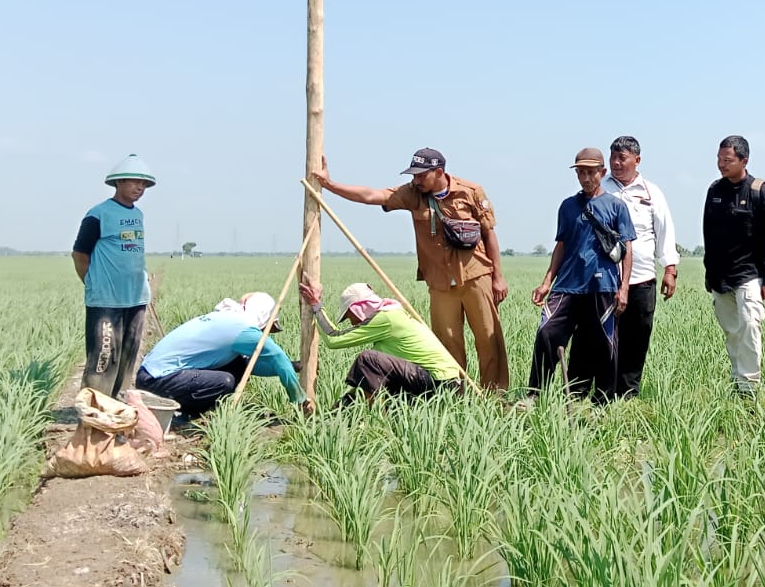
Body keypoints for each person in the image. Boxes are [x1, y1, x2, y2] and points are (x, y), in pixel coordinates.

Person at [312, 148, 511, 390]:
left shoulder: (470, 192)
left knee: (488, 339)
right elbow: (374, 195)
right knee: (447, 343)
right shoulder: (412, 194)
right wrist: (330, 185)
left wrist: (498, 277)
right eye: (414, 175)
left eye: (421, 175)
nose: (416, 180)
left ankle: (495, 395)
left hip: (476, 275)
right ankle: (456, 395)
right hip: (439, 283)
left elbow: (489, 234)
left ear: (439, 172)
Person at [528, 148, 634, 403]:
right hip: (567, 285)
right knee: (546, 333)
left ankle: (603, 401)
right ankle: (535, 395)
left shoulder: (616, 206)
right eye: (581, 172)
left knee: (605, 343)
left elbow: (627, 249)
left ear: (602, 172)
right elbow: (561, 245)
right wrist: (546, 282)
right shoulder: (567, 206)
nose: (586, 178)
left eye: (591, 172)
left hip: (603, 285)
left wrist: (624, 288)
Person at [136, 292, 308, 418]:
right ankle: (186, 415)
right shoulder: (243, 328)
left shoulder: (230, 318)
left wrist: (292, 366)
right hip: (157, 378)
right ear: (264, 317)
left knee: (238, 364)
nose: (265, 331)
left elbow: (250, 366)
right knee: (225, 381)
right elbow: (277, 357)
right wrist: (299, 399)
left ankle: (190, 409)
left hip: (151, 374)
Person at [702, 135, 765, 398]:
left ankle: (749, 389)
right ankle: (737, 383)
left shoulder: (762, 192)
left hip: (750, 275)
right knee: (732, 332)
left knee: (750, 325)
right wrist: (709, 272)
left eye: (727, 160)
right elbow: (708, 234)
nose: (721, 164)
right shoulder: (715, 191)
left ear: (744, 161)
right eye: (719, 159)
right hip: (721, 276)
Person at [299, 277, 465, 404]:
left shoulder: (386, 318)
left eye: (350, 316)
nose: (353, 323)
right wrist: (339, 408)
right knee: (375, 371)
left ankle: (377, 421)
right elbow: (367, 382)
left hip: (439, 381)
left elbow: (334, 338)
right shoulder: (389, 321)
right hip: (443, 383)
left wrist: (316, 305)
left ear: (359, 308)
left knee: (367, 359)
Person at [71, 154, 155, 398]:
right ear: (118, 182)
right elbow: (80, 254)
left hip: (136, 298)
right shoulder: (99, 214)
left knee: (128, 355)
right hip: (106, 299)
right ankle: (94, 406)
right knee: (104, 356)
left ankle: (118, 403)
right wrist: (93, 284)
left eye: (144, 184)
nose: (140, 187)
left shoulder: (138, 215)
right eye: (134, 181)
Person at [602, 135, 679, 398]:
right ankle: (604, 392)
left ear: (637, 160)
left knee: (637, 337)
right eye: (613, 157)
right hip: (606, 279)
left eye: (622, 158)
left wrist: (670, 269)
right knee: (604, 338)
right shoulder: (602, 189)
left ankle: (628, 394)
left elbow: (665, 231)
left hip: (642, 278)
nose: (616, 163)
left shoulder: (651, 192)